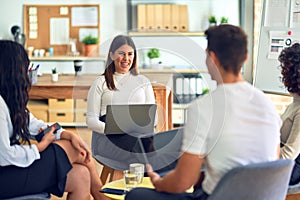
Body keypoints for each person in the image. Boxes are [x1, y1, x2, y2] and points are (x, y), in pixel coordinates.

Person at [125, 24, 281, 200]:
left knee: (137, 195)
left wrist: (159, 182)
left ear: (212, 58)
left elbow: (183, 182)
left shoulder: (203, 108)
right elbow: (272, 162)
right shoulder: (268, 105)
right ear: (245, 58)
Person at [0, 40, 109, 200]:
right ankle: (100, 194)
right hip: (4, 178)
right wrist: (41, 146)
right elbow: (4, 155)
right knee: (72, 149)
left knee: (81, 175)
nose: (28, 74)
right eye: (25, 68)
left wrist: (67, 134)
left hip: (11, 173)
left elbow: (36, 126)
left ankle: (99, 192)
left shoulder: (9, 100)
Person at [278, 43, 300, 185]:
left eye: (285, 70)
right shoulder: (295, 102)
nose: (282, 74)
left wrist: (261, 149)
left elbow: (288, 156)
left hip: (290, 172)